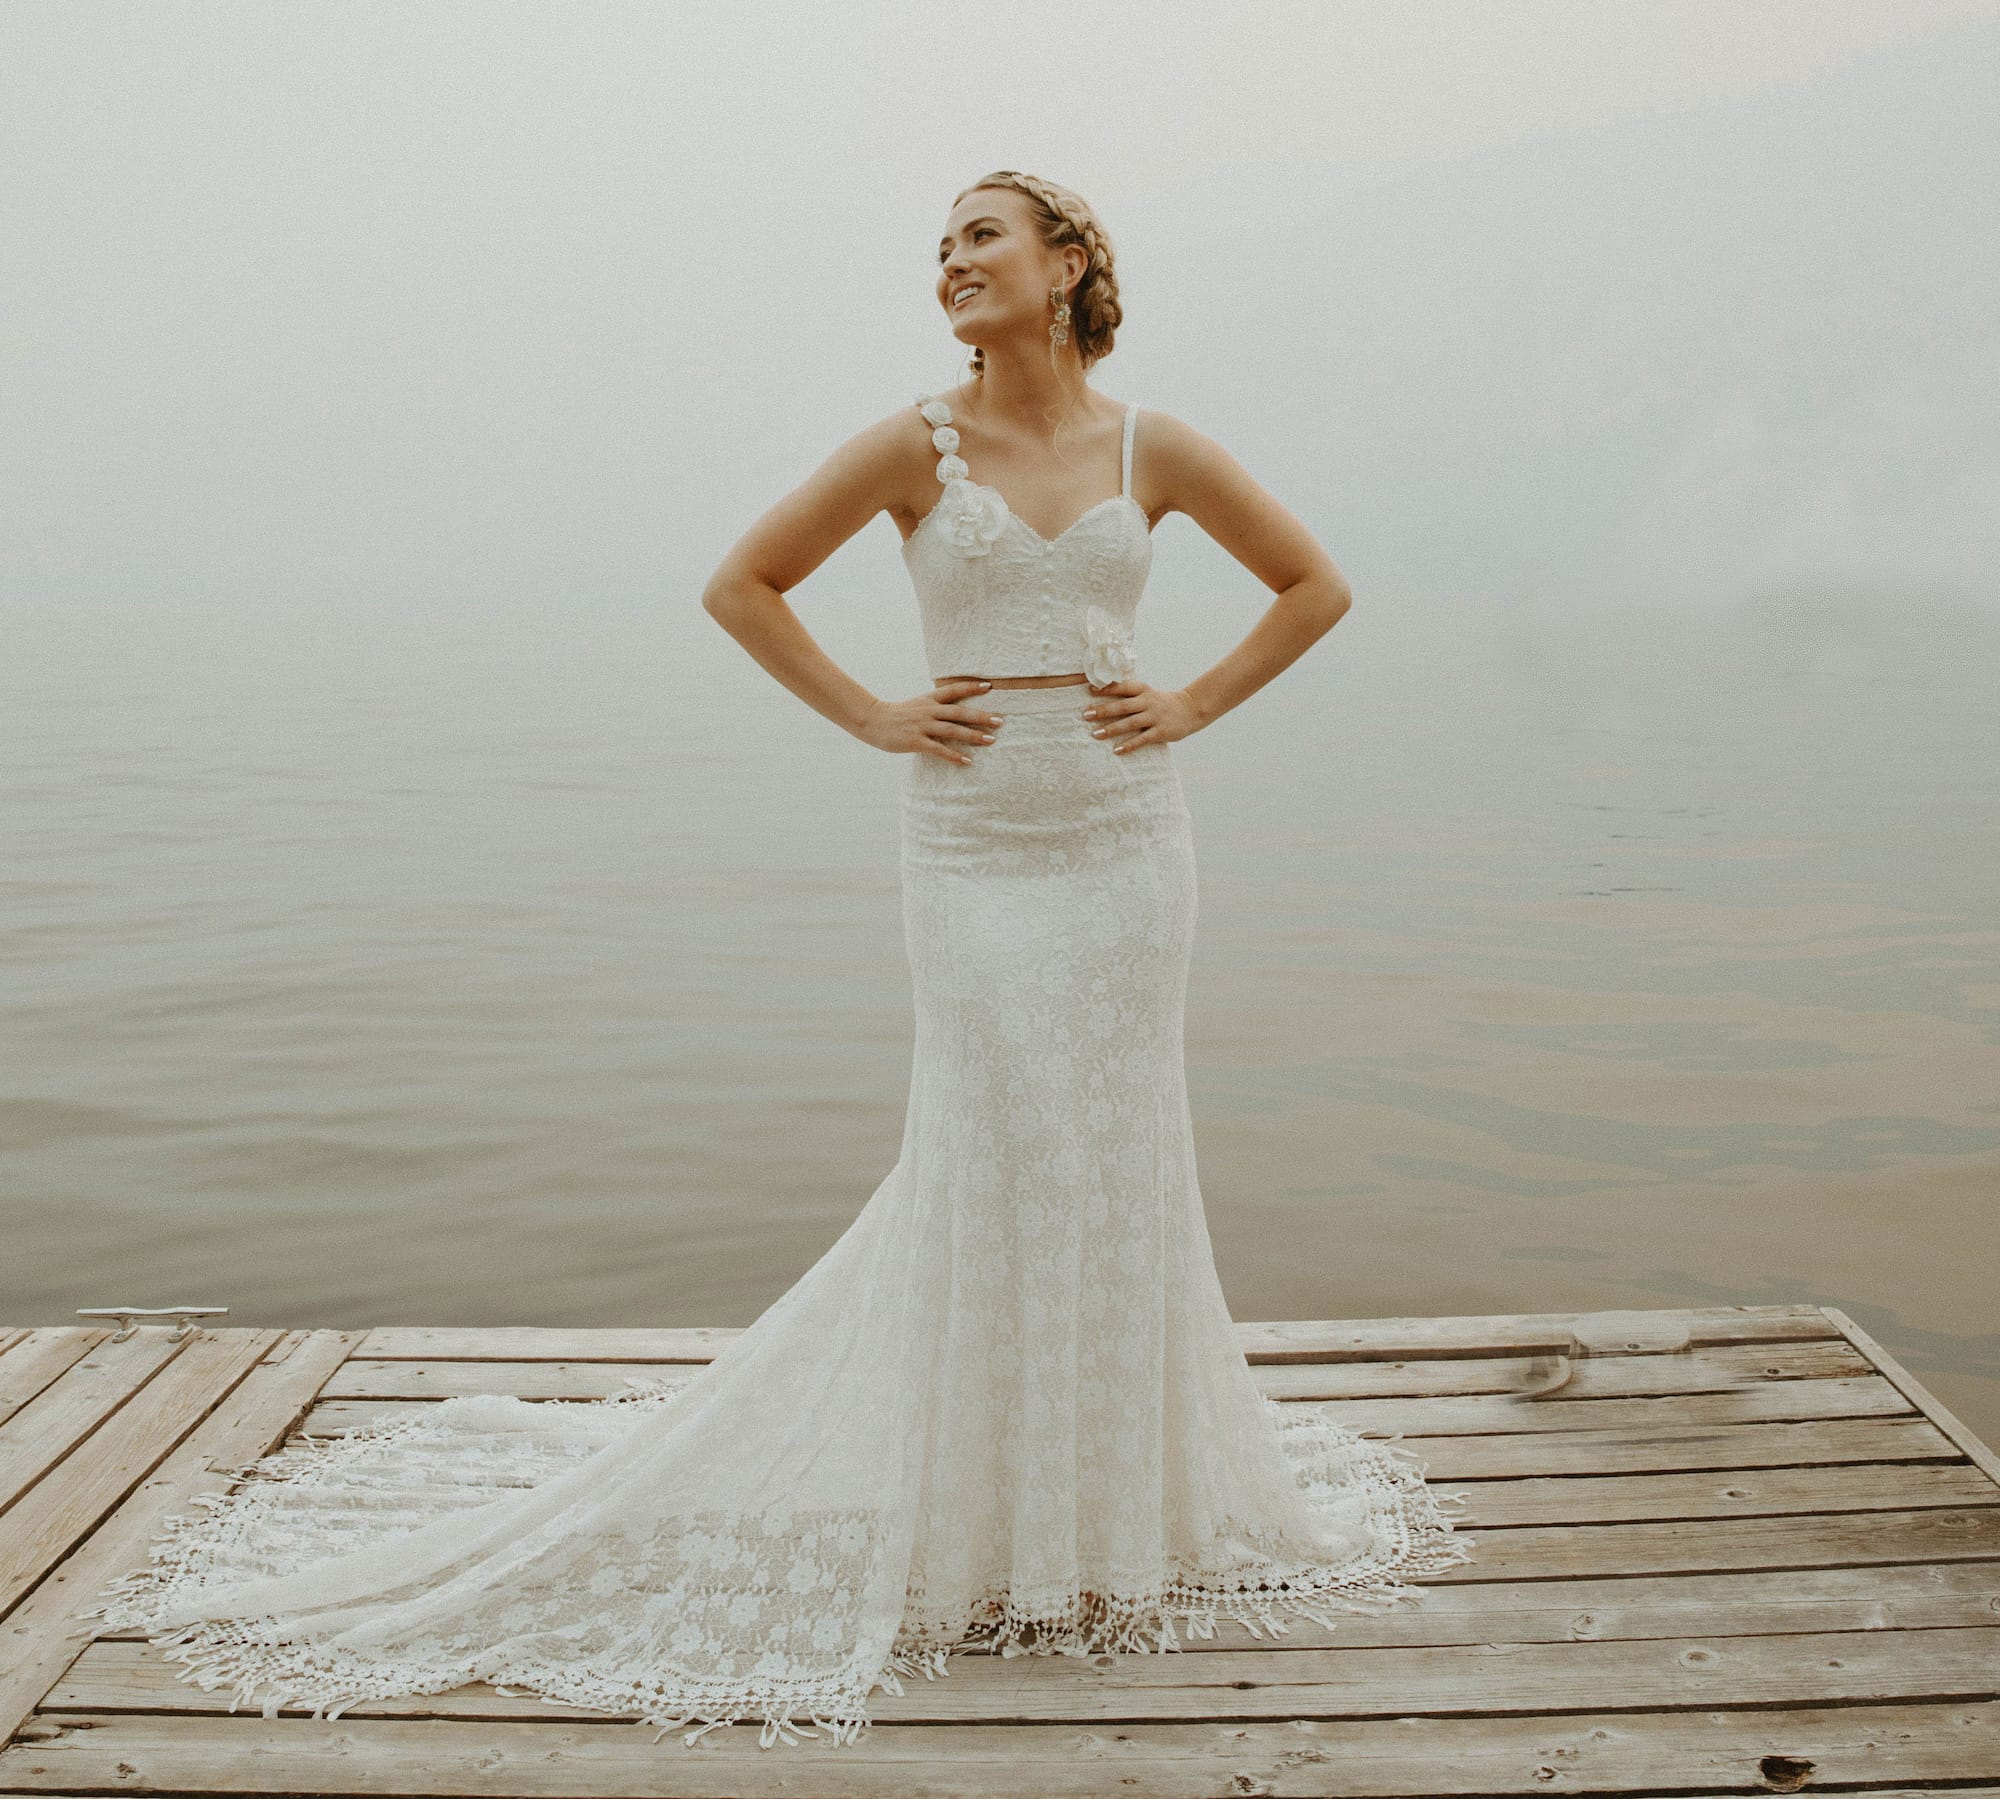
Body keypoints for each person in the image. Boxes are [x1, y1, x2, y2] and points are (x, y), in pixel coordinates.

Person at [83, 170, 1472, 1751]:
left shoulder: (1157, 448)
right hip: (969, 849)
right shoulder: (911, 444)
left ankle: (1096, 1531)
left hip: (1123, 841)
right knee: (996, 1145)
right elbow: (741, 585)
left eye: (982, 236)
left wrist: (1194, 705)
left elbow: (1319, 585)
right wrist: (880, 712)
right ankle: (980, 1524)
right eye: (938, 246)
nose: (950, 263)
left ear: (1068, 258)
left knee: (1111, 1154)